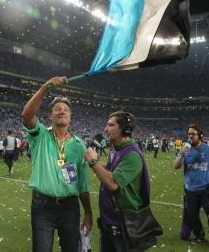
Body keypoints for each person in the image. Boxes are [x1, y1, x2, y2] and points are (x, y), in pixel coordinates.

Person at [21, 76, 92, 252]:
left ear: (70, 117)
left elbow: (82, 183)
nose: (61, 111)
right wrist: (47, 86)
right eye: (57, 109)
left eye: (65, 110)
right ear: (50, 116)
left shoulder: (78, 144)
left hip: (70, 208)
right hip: (43, 207)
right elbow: (27, 115)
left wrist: (88, 213)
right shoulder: (41, 136)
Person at [84, 111, 156, 252]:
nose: (105, 129)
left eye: (111, 125)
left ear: (125, 129)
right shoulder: (115, 149)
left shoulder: (132, 154)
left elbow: (113, 183)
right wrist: (94, 161)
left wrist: (93, 162)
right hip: (109, 222)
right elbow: (111, 169)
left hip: (122, 227)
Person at [174, 124, 209, 248]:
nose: (190, 136)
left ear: (200, 135)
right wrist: (182, 154)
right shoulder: (185, 149)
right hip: (190, 188)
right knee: (192, 214)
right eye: (189, 134)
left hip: (207, 187)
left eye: (193, 134)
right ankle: (199, 235)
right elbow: (176, 166)